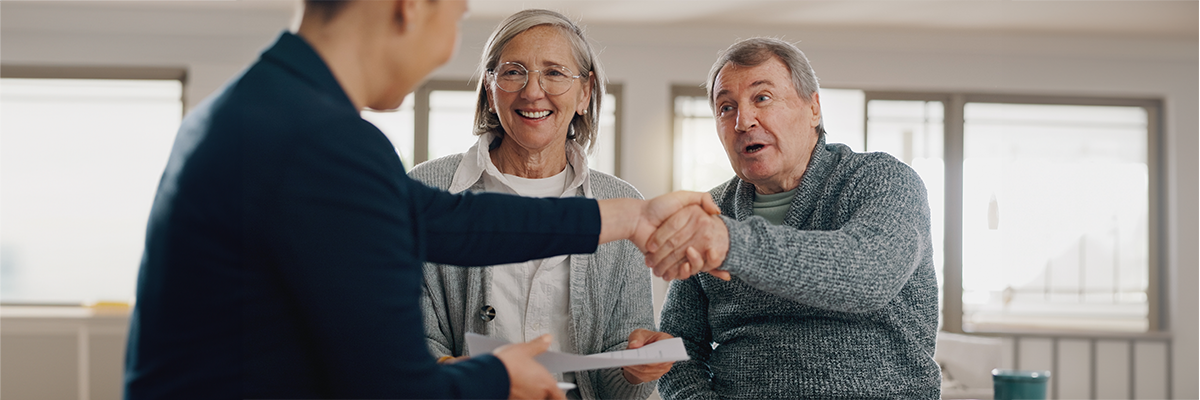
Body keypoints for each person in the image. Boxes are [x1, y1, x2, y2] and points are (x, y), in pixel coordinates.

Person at [122, 0, 714, 399]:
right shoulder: (317, 140)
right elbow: (392, 386)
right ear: (410, 6)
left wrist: (634, 216)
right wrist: (499, 375)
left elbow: (451, 223)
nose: (444, 49)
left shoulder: (264, 107)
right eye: (454, 17)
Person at [646, 38, 942, 398]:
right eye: (726, 108)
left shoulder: (883, 179)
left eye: (762, 97)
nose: (743, 120)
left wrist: (729, 241)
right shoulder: (711, 211)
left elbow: (870, 273)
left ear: (813, 108)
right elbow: (680, 349)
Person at [409, 9, 671, 400]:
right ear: (489, 87)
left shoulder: (623, 203)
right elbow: (407, 343)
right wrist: (470, 376)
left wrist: (638, 370)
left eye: (554, 72)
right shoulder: (428, 189)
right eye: (513, 72)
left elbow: (619, 387)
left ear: (585, 93)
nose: (533, 92)